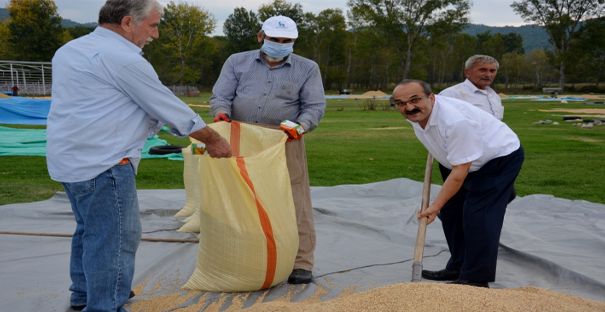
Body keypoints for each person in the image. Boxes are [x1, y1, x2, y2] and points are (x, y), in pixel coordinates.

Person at [46, 1, 231, 311]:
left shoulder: (71, 50)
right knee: (116, 238)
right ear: (128, 22)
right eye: (153, 25)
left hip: (68, 160)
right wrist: (212, 139)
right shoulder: (121, 59)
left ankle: (84, 293)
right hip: (105, 163)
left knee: (89, 229)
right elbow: (167, 106)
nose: (155, 34)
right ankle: (106, 304)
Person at [209, 15, 326, 285]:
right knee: (239, 197)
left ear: (294, 41)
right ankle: (245, 256)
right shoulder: (237, 61)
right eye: (275, 39)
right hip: (241, 135)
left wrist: (302, 125)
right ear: (261, 36)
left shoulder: (307, 68)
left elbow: (314, 106)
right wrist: (221, 115)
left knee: (296, 200)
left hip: (284, 138)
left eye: (287, 41)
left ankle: (301, 263)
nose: (280, 45)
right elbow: (221, 96)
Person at [392, 79, 524, 288]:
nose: (408, 107)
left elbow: (460, 173)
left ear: (431, 97)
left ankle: (475, 279)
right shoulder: (418, 112)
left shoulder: (455, 121)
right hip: (457, 158)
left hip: (496, 158)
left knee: (478, 214)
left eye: (415, 100)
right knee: (451, 211)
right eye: (400, 103)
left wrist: (434, 206)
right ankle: (458, 266)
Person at [439, 55, 516, 201]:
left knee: (502, 193)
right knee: (460, 196)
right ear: (467, 72)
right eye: (482, 70)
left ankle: (467, 219)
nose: (488, 74)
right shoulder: (452, 94)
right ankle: (453, 218)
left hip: (489, 156)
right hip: (463, 156)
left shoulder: (493, 96)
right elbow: (441, 125)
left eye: (492, 71)